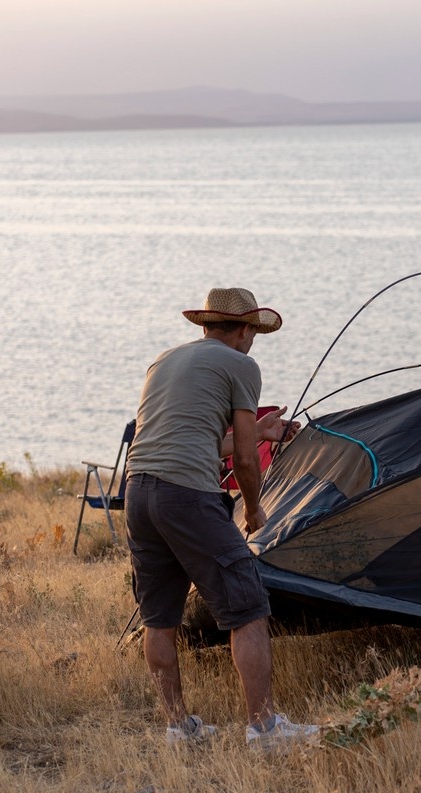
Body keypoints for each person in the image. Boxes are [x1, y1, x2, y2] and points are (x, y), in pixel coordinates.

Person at [124, 286, 320, 750]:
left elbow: (192, 443)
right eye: (253, 331)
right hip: (187, 497)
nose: (253, 341)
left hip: (138, 493)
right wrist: (252, 510)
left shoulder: (164, 360)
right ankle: (265, 728)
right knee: (247, 605)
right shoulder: (241, 365)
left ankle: (178, 729)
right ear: (244, 329)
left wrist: (264, 431)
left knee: (159, 615)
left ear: (206, 326)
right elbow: (248, 463)